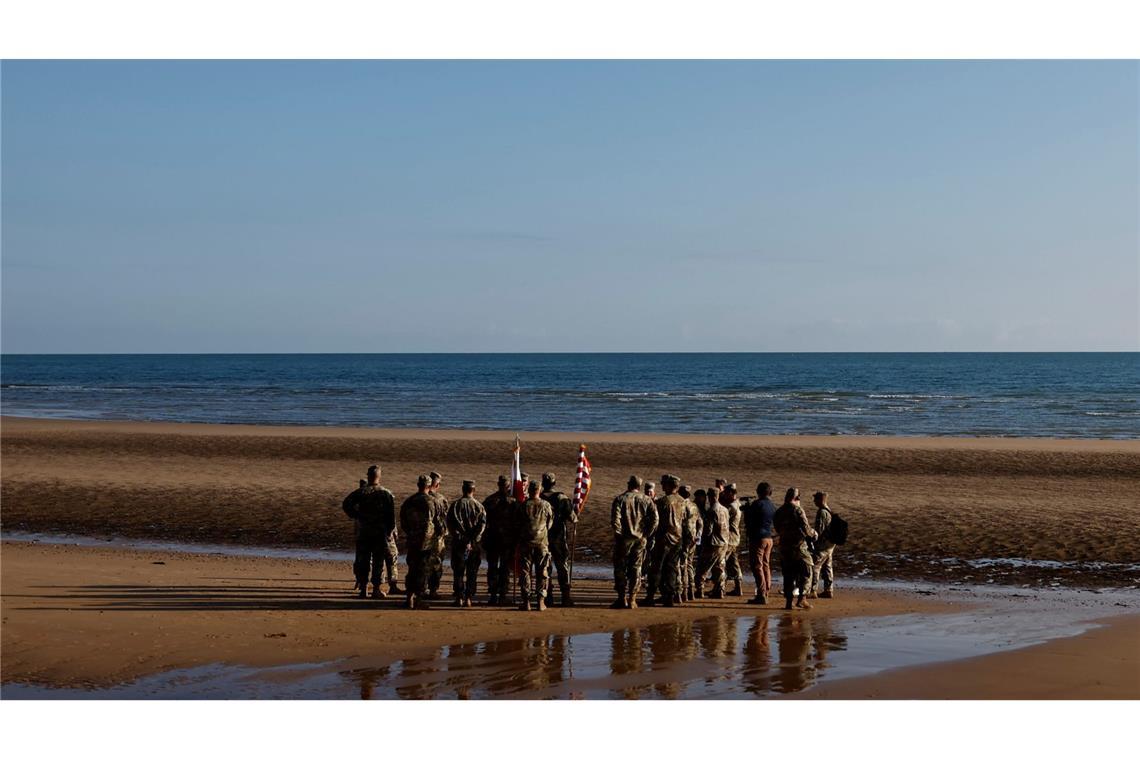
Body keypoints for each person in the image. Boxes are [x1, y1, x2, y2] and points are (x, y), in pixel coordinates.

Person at [341, 465, 398, 599]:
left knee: (363, 560)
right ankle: (376, 589)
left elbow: (346, 504)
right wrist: (390, 531)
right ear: (379, 476)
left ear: (368, 476)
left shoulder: (362, 492)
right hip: (379, 533)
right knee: (378, 561)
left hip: (364, 532)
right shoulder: (386, 493)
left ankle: (364, 589)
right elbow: (391, 515)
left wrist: (356, 515)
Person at [609, 475, 658, 609]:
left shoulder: (620, 499)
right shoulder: (647, 500)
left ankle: (622, 598)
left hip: (624, 539)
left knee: (620, 567)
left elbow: (615, 520)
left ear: (629, 484)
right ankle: (632, 598)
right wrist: (646, 534)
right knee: (636, 567)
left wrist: (618, 533)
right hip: (640, 538)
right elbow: (655, 519)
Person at [400, 474, 446, 610]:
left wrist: (410, 533)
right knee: (422, 570)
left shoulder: (409, 501)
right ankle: (418, 598)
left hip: (413, 540)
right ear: (429, 485)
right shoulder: (433, 502)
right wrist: (440, 536)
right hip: (426, 542)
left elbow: (403, 522)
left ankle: (409, 597)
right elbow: (440, 523)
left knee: (412, 568)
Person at [644, 474, 687, 607]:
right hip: (678, 538)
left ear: (669, 485)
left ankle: (650, 596)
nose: (662, 486)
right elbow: (684, 520)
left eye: (664, 484)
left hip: (664, 538)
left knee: (657, 567)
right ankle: (668, 597)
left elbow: (655, 520)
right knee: (672, 568)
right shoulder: (683, 501)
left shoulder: (662, 502)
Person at [773, 487, 817, 610]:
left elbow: (777, 527)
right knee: (807, 571)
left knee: (788, 574)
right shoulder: (798, 510)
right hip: (798, 547)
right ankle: (802, 599)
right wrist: (814, 533)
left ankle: (788, 602)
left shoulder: (779, 511)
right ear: (796, 498)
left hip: (785, 547)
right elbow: (806, 529)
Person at [541, 472, 580, 607]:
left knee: (546, 568)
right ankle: (565, 597)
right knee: (562, 567)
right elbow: (573, 518)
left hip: (543, 539)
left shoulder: (538, 497)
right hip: (558, 538)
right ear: (554, 483)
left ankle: (548, 597)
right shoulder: (561, 498)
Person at [515, 479, 553, 611]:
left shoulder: (523, 505)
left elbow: (517, 524)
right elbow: (550, 524)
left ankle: (526, 602)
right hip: (542, 543)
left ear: (530, 490)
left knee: (525, 572)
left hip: (526, 543)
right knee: (542, 572)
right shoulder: (546, 505)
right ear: (539, 490)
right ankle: (541, 601)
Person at [447, 480, 486, 607]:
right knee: (472, 571)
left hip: (459, 543)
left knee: (458, 571)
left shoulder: (455, 505)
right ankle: (468, 597)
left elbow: (451, 525)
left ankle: (459, 597)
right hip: (474, 544)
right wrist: (472, 540)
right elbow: (482, 526)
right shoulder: (479, 506)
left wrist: (461, 538)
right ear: (474, 491)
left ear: (463, 490)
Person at [482, 475, 516, 605]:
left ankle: (493, 595)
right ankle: (502, 595)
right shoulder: (513, 502)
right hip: (505, 541)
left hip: (493, 540)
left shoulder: (490, 500)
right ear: (508, 486)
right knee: (504, 568)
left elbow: (483, 520)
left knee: (493, 568)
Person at [743, 482, 777, 605]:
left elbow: (749, 521)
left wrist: (747, 510)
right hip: (769, 538)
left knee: (757, 566)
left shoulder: (757, 504)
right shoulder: (772, 505)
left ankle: (761, 594)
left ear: (759, 492)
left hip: (758, 538)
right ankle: (766, 591)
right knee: (765, 565)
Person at [695, 487, 731, 598]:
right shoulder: (724, 509)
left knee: (702, 568)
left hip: (713, 543)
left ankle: (699, 590)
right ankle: (719, 590)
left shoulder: (712, 511)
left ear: (710, 497)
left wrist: (702, 540)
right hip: (724, 542)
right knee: (719, 568)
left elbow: (708, 530)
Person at [425, 471, 450, 600]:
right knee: (436, 564)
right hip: (436, 538)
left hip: (420, 537)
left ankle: (421, 589)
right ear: (437, 485)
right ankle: (433, 590)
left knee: (422, 563)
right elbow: (445, 519)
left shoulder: (418, 497)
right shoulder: (440, 499)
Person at [809, 491, 837, 599]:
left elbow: (819, 530)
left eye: (815, 499)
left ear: (820, 500)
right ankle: (828, 590)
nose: (814, 501)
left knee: (816, 566)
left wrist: (814, 542)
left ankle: (813, 590)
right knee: (827, 566)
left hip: (823, 545)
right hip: (830, 544)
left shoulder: (821, 512)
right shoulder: (829, 510)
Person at [679, 485, 702, 602]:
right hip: (693, 539)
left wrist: (688, 536)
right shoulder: (694, 505)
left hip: (685, 539)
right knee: (690, 565)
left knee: (683, 565)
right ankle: (691, 591)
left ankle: (684, 592)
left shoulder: (682, 505)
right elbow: (700, 523)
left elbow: (686, 524)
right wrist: (698, 536)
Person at [722, 483, 744, 596]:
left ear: (731, 493)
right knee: (733, 563)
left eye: (726, 493)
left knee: (722, 561)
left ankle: (720, 587)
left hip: (729, 538)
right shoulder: (737, 504)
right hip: (735, 537)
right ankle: (738, 587)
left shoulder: (731, 507)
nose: (724, 495)